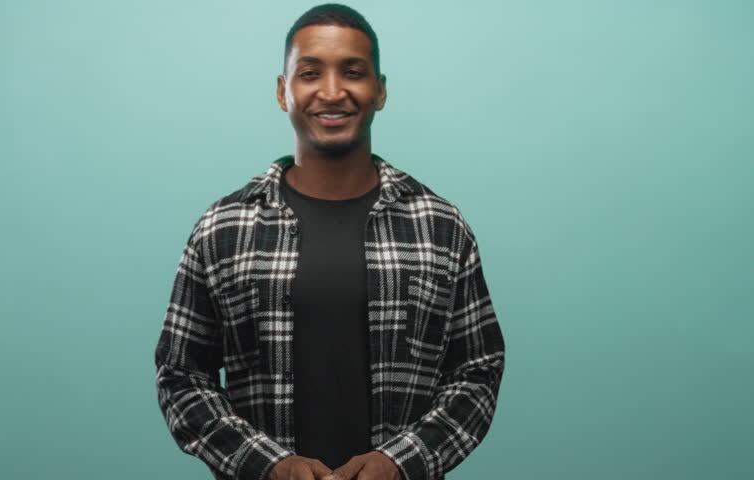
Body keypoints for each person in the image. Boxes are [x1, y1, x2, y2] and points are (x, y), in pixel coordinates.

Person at [154, 4, 506, 480]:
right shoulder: (223, 226)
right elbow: (181, 376)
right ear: (284, 92)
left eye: (354, 72)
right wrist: (268, 464)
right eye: (310, 73)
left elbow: (477, 372)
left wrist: (400, 463)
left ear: (380, 91)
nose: (333, 91)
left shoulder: (440, 226)